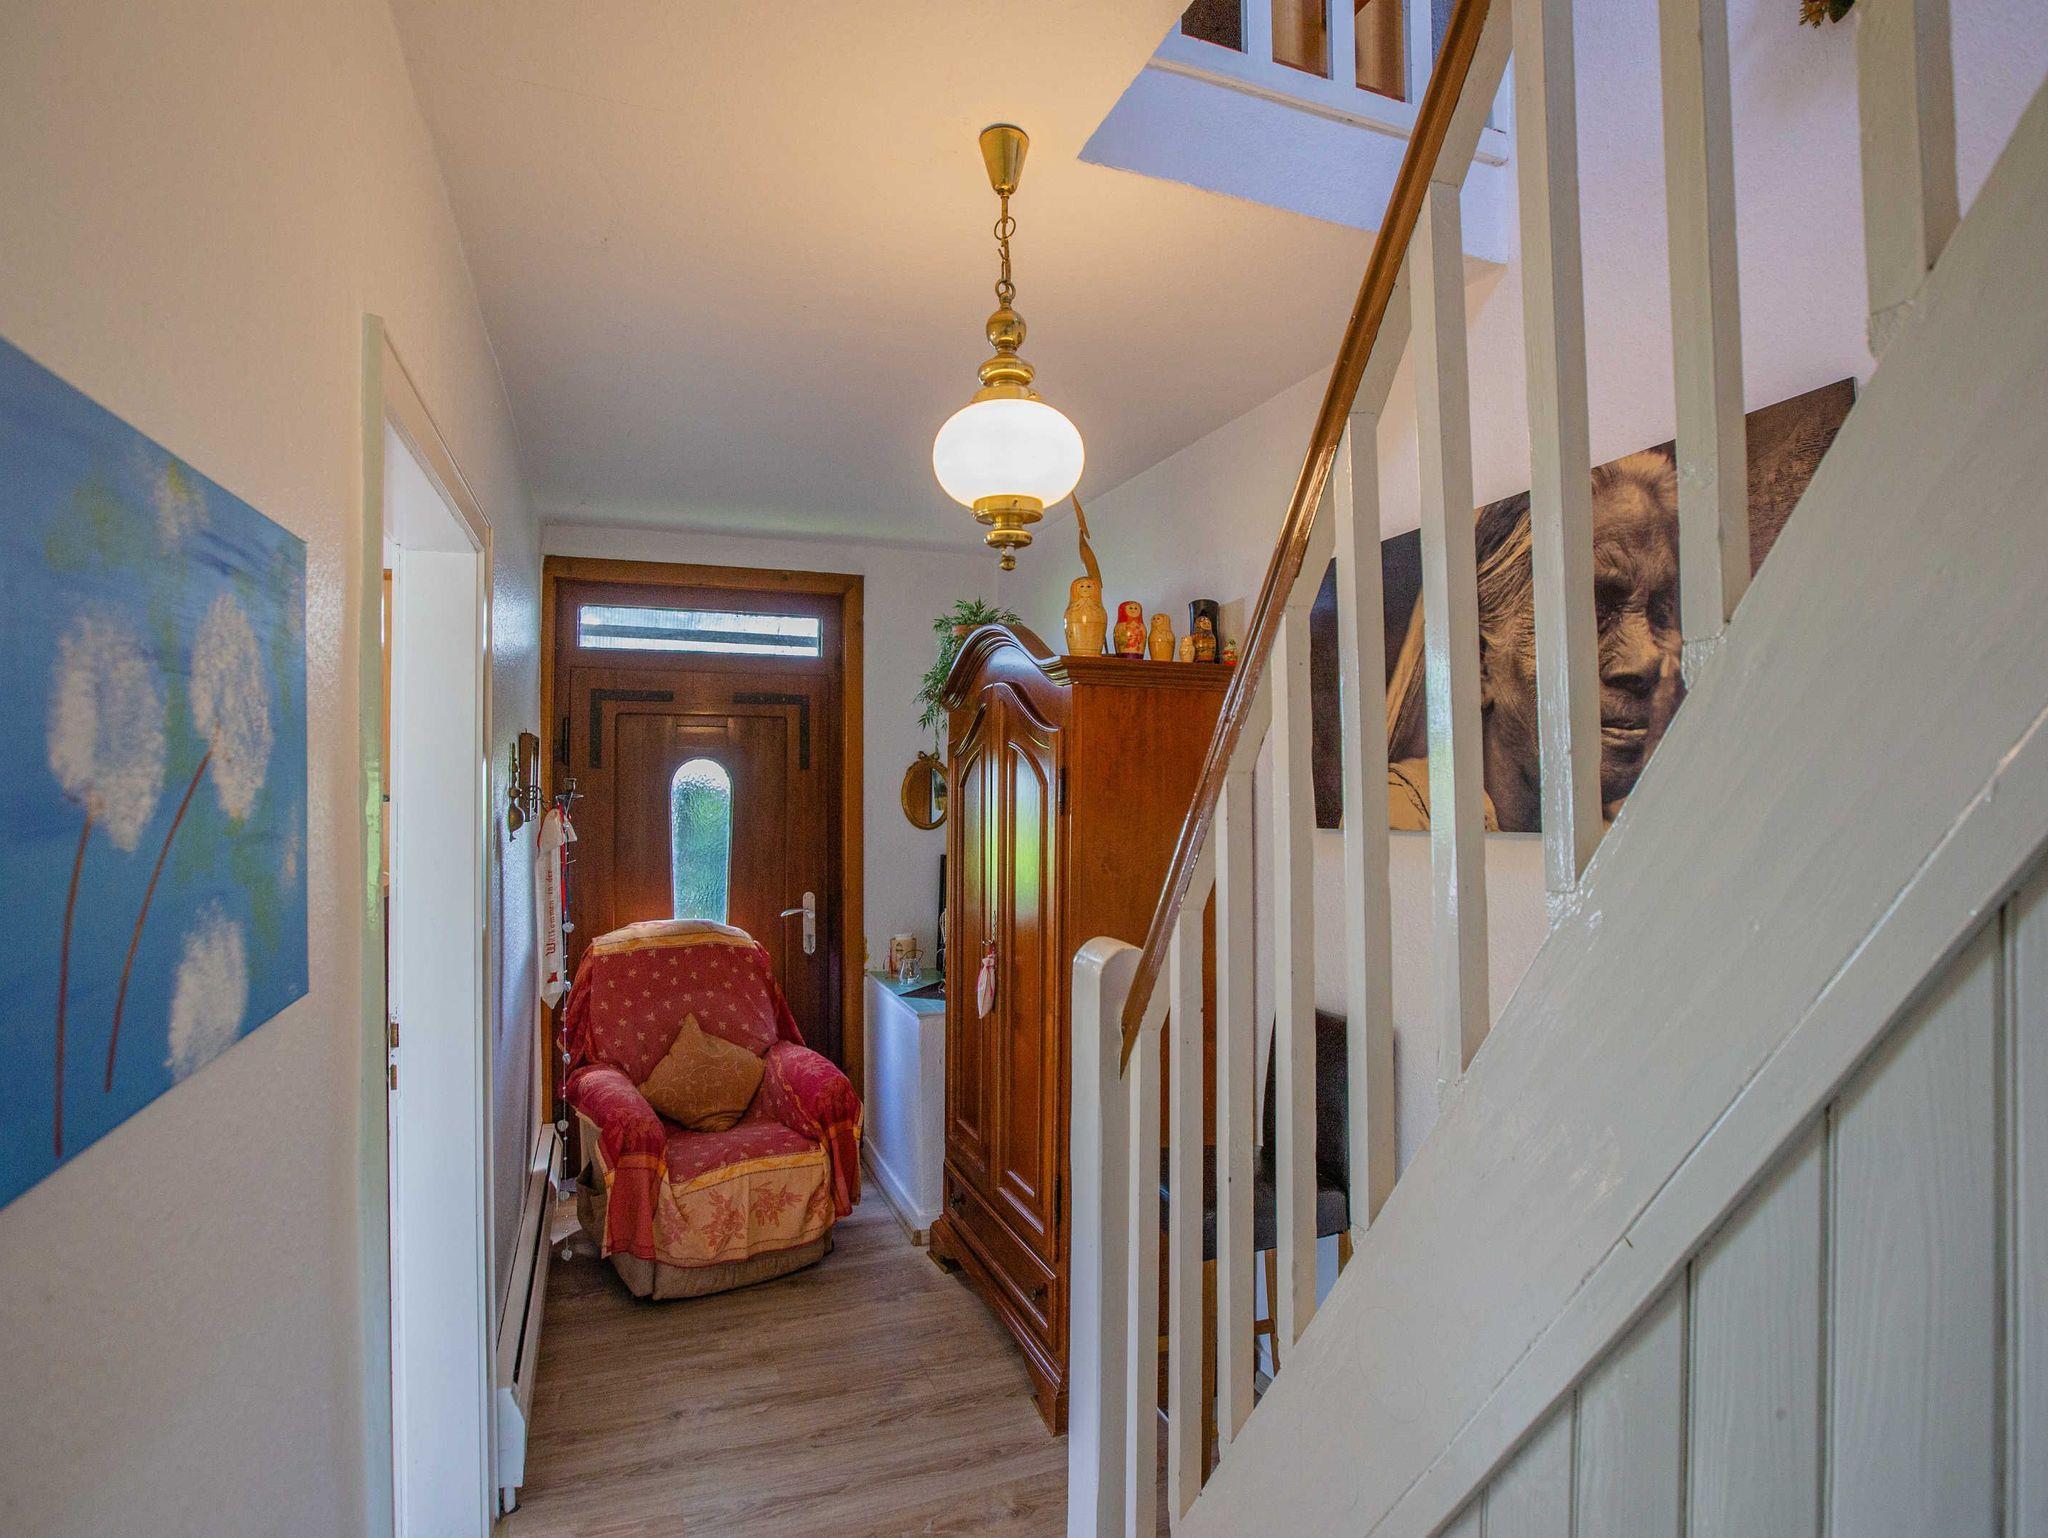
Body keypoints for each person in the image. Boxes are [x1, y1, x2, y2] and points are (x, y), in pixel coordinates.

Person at [1384, 449, 1683, 831]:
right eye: (1593, 611)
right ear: (1478, 661)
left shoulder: (1629, 838)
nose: (1647, 658)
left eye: (1659, 611)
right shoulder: (1404, 825)